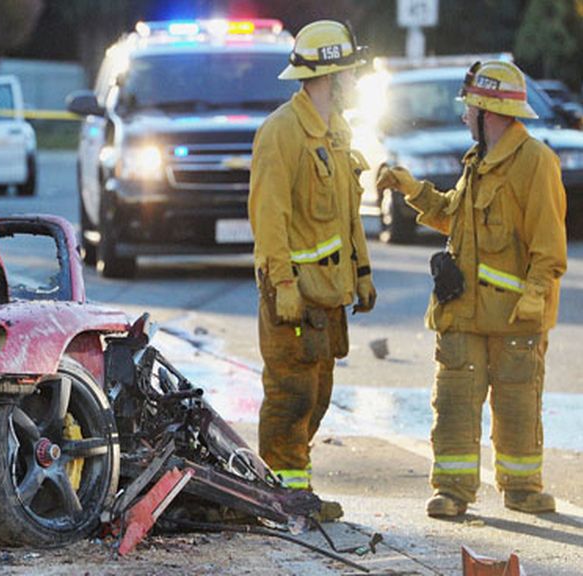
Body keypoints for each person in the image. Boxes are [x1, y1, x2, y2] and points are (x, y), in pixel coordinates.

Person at [377, 60, 567, 518]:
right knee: (455, 403)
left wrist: (536, 292)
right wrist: (413, 191)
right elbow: (454, 218)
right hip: (462, 312)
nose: (463, 116)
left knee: (518, 404)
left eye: (470, 108)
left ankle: (521, 488)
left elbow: (549, 244)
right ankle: (453, 491)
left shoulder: (535, 163)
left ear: (489, 112)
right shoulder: (477, 163)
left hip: (513, 318)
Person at [248, 20, 376, 523]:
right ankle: (281, 499)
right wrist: (281, 284)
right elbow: (269, 217)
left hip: (327, 297)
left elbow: (348, 214)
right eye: (349, 73)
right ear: (328, 76)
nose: (355, 82)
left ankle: (290, 492)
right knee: (291, 397)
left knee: (317, 396)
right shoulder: (281, 133)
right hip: (294, 297)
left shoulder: (336, 134)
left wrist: (362, 273)